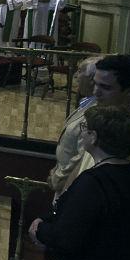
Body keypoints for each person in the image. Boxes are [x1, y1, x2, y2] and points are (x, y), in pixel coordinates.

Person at [29, 106, 130, 260]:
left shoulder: (92, 183)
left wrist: (40, 229)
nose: (82, 132)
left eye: (85, 127)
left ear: (93, 137)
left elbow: (65, 237)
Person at [67, 55, 130, 191]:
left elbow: (113, 191)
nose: (95, 92)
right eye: (95, 83)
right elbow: (81, 165)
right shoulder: (101, 117)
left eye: (105, 87)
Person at [47, 55, 105, 197]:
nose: (76, 77)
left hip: (69, 187)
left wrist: (57, 178)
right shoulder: (87, 103)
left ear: (93, 79)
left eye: (80, 72)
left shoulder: (95, 113)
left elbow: (81, 156)